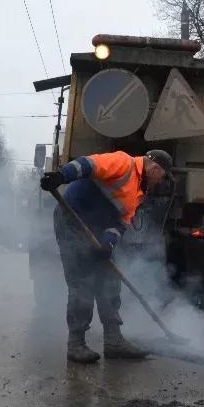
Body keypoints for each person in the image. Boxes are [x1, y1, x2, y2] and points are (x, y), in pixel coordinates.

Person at [40, 149, 174, 364]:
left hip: (98, 229)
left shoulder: (140, 191)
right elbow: (87, 163)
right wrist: (61, 176)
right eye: (163, 177)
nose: (161, 183)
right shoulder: (124, 163)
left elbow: (121, 222)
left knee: (110, 281)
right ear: (156, 168)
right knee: (82, 282)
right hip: (72, 220)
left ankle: (113, 341)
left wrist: (109, 243)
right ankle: (76, 344)